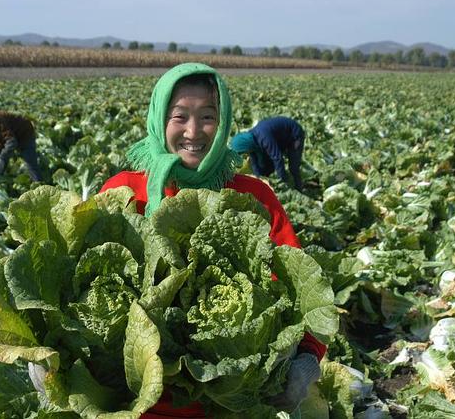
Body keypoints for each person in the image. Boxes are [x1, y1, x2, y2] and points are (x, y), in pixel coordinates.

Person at [99, 62, 325, 417]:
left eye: (207, 116)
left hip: (230, 401)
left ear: (223, 123)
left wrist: (308, 356)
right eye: (179, 116)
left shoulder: (253, 198)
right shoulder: (123, 192)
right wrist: (48, 355)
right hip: (132, 402)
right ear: (160, 119)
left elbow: (303, 287)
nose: (193, 131)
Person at [230, 116, 306, 191]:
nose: (245, 154)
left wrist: (282, 180)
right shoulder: (251, 141)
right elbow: (254, 162)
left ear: (245, 146)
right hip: (281, 137)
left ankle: (298, 187)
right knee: (265, 165)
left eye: (244, 152)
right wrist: (259, 179)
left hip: (294, 134)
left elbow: (277, 157)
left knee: (293, 166)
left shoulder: (264, 137)